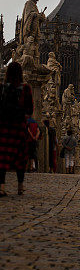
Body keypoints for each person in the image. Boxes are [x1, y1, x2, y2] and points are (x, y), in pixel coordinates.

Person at [0, 62, 34, 197]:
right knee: (21, 157)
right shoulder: (25, 88)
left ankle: (1, 187)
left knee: (2, 156)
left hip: (3, 127)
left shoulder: (2, 88)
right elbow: (30, 110)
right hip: (18, 127)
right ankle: (20, 186)